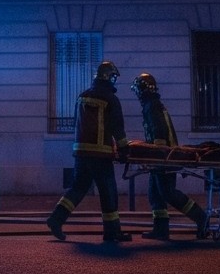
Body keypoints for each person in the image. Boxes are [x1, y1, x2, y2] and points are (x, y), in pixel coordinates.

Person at [45, 60, 133, 243]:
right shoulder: (110, 99)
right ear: (108, 77)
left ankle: (56, 218)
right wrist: (124, 151)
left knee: (78, 188)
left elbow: (76, 122)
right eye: (114, 77)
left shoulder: (82, 96)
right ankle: (112, 233)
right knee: (108, 191)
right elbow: (118, 128)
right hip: (100, 155)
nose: (114, 81)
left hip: (81, 153)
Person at [130, 72, 209, 240]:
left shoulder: (151, 106)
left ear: (142, 90)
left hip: (164, 158)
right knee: (155, 193)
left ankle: (201, 217)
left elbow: (159, 133)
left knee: (168, 193)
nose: (136, 93)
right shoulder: (154, 104)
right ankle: (161, 229)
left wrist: (156, 156)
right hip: (163, 157)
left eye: (137, 89)